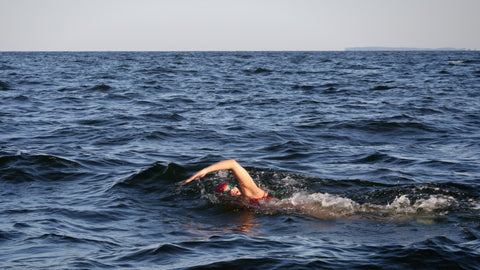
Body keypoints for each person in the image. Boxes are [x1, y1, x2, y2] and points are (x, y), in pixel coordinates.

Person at [185, 159, 270, 205]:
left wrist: (205, 171)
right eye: (226, 192)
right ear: (224, 197)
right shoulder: (237, 204)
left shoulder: (251, 193)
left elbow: (232, 164)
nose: (231, 190)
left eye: (230, 187)